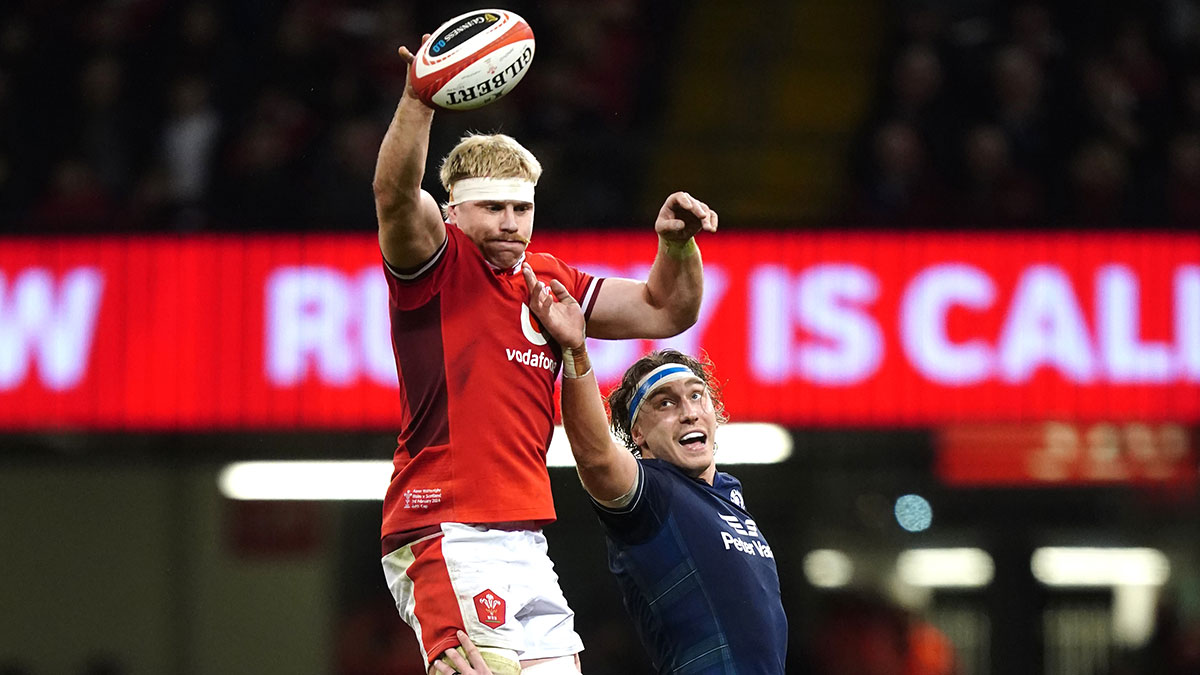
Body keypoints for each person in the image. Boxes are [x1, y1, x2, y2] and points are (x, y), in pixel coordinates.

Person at [375, 32, 718, 675]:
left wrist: (676, 247)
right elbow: (395, 197)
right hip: (449, 530)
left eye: (522, 209)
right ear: (453, 212)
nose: (510, 222)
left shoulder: (546, 279)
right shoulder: (436, 263)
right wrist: (419, 100)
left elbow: (666, 310)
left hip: (524, 538)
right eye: (492, 208)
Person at [523, 270, 788, 674]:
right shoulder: (652, 494)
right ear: (638, 434)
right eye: (665, 403)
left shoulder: (730, 495)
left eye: (696, 395)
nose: (688, 412)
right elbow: (596, 457)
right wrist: (576, 351)